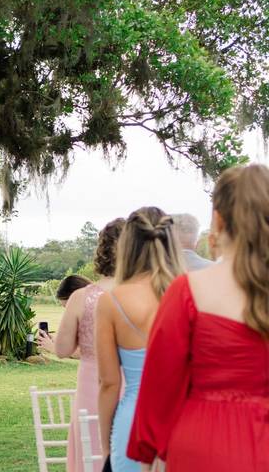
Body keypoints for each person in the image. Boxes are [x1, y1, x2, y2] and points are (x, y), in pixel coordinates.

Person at [129, 164, 269, 471]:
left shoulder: (188, 290)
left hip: (206, 444)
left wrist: (148, 453)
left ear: (218, 219)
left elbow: (159, 389)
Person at [95, 207, 184, 472]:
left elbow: (109, 383)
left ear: (127, 247)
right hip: (183, 423)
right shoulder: (191, 293)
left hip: (133, 425)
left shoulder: (111, 301)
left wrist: (106, 444)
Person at [37, 218, 123, 472]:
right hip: (129, 382)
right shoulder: (141, 295)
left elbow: (62, 349)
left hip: (90, 384)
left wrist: (53, 345)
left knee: (91, 448)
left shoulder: (81, 297)